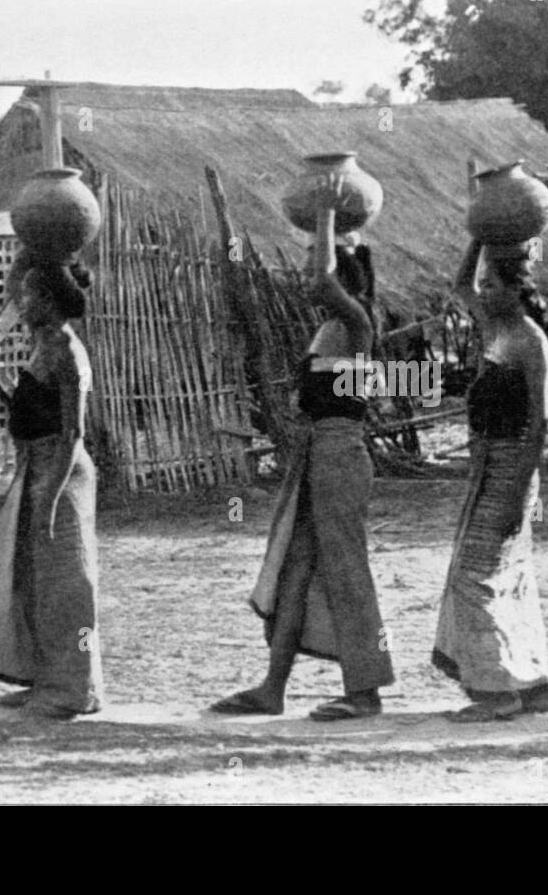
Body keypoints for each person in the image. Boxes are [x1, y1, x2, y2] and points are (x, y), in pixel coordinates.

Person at [211, 174, 395, 720]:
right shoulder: (327, 333)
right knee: (294, 571)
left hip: (341, 457)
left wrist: (326, 215)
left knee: (345, 571)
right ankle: (273, 688)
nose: (309, 267)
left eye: (321, 260)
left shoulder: (357, 324)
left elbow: (318, 281)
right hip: (316, 456)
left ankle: (365, 692)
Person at [0, 254, 103, 719]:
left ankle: (72, 690)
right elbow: (15, 278)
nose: (22, 301)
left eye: (33, 295)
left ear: (52, 301)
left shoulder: (69, 352)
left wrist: (52, 496)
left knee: (67, 584)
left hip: (61, 472)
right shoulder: (41, 340)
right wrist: (36, 250)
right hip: (35, 471)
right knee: (35, 581)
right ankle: (44, 677)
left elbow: (74, 432)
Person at [432, 239, 548, 722]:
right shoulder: (493, 326)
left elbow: (540, 424)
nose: (482, 293)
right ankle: (533, 686)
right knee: (507, 579)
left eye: (492, 285)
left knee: (474, 578)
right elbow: (460, 284)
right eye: (483, 285)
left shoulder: (530, 341)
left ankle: (497, 691)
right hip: (485, 467)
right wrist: (478, 236)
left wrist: (515, 494)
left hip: (511, 468)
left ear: (516, 289)